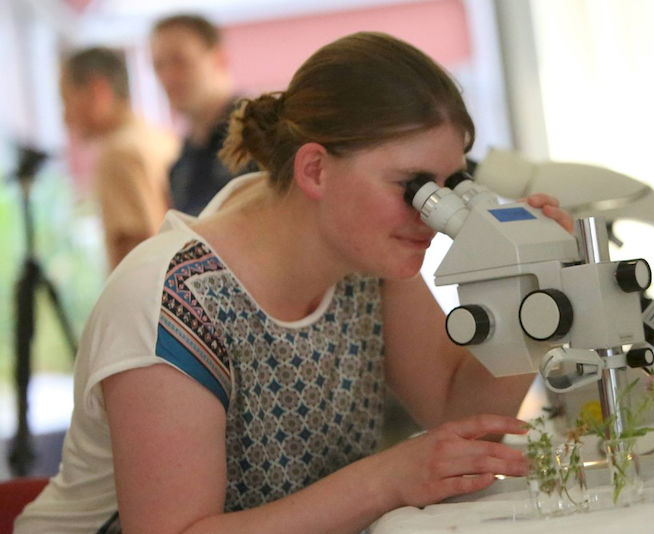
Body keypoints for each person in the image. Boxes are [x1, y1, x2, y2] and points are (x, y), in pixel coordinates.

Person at [16, 32, 573, 533]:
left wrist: (536, 294)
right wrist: (383, 480)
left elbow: (461, 420)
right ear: (315, 170)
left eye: (449, 186)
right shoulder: (173, 301)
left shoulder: (367, 262)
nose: (433, 213)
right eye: (413, 186)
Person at [60, 46, 178, 270]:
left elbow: (136, 251)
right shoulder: (160, 138)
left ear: (98, 91)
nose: (65, 117)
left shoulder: (117, 155)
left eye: (66, 99)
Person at [150, 13, 246, 216]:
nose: (168, 76)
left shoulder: (259, 136)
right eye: (158, 65)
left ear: (219, 58)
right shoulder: (180, 166)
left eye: (180, 60)